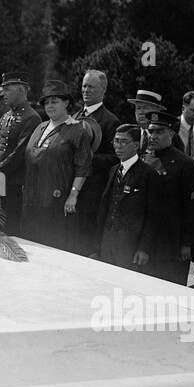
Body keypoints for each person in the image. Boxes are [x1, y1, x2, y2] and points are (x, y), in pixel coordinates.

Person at [20, 80, 97, 250]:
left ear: (67, 103)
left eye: (54, 101)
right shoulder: (40, 127)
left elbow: (83, 166)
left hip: (55, 200)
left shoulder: (77, 130)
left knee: (50, 246)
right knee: (29, 246)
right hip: (31, 199)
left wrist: (73, 195)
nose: (50, 106)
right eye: (46, 102)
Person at [142, 111, 194, 285]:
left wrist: (187, 242)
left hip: (171, 243)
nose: (153, 136)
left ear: (171, 133)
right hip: (144, 241)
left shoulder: (186, 165)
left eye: (159, 132)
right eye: (150, 131)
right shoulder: (142, 159)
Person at [93, 124, 156, 271]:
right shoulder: (114, 170)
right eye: (116, 141)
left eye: (123, 142)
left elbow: (153, 215)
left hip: (130, 244)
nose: (118, 146)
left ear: (135, 145)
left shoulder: (148, 174)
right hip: (107, 240)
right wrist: (98, 243)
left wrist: (144, 248)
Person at [73, 68, 121, 255]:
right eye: (84, 86)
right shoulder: (74, 117)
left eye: (91, 87)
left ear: (103, 91)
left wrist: (89, 159)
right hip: (70, 188)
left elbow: (115, 158)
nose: (86, 90)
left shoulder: (111, 121)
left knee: (85, 246)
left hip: (92, 193)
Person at [0, 72, 43, 236]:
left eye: (8, 89)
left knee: (9, 225)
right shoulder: (6, 115)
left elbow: (19, 153)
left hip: (13, 182)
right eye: (3, 89)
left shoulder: (32, 118)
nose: (3, 93)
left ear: (22, 90)